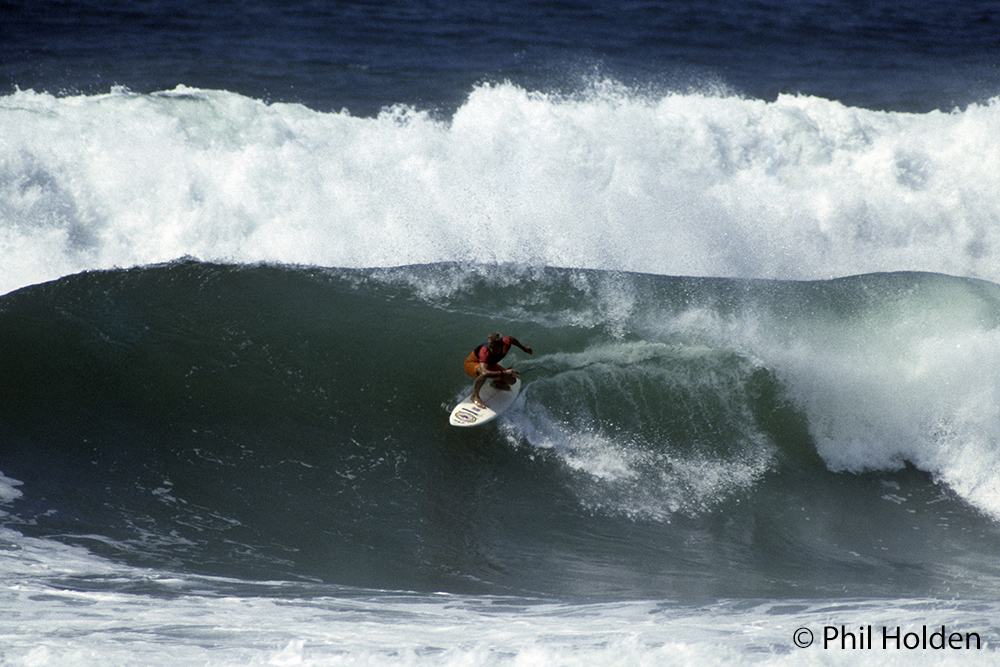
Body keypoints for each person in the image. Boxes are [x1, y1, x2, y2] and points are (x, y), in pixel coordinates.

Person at [464, 333, 533, 408]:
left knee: (512, 380)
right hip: (471, 365)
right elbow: (485, 372)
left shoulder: (506, 343)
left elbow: (512, 339)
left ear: (501, 344)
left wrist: (523, 348)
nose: (492, 349)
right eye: (490, 346)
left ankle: (496, 382)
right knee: (484, 374)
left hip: (489, 364)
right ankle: (475, 396)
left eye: (494, 347)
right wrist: (504, 372)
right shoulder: (484, 351)